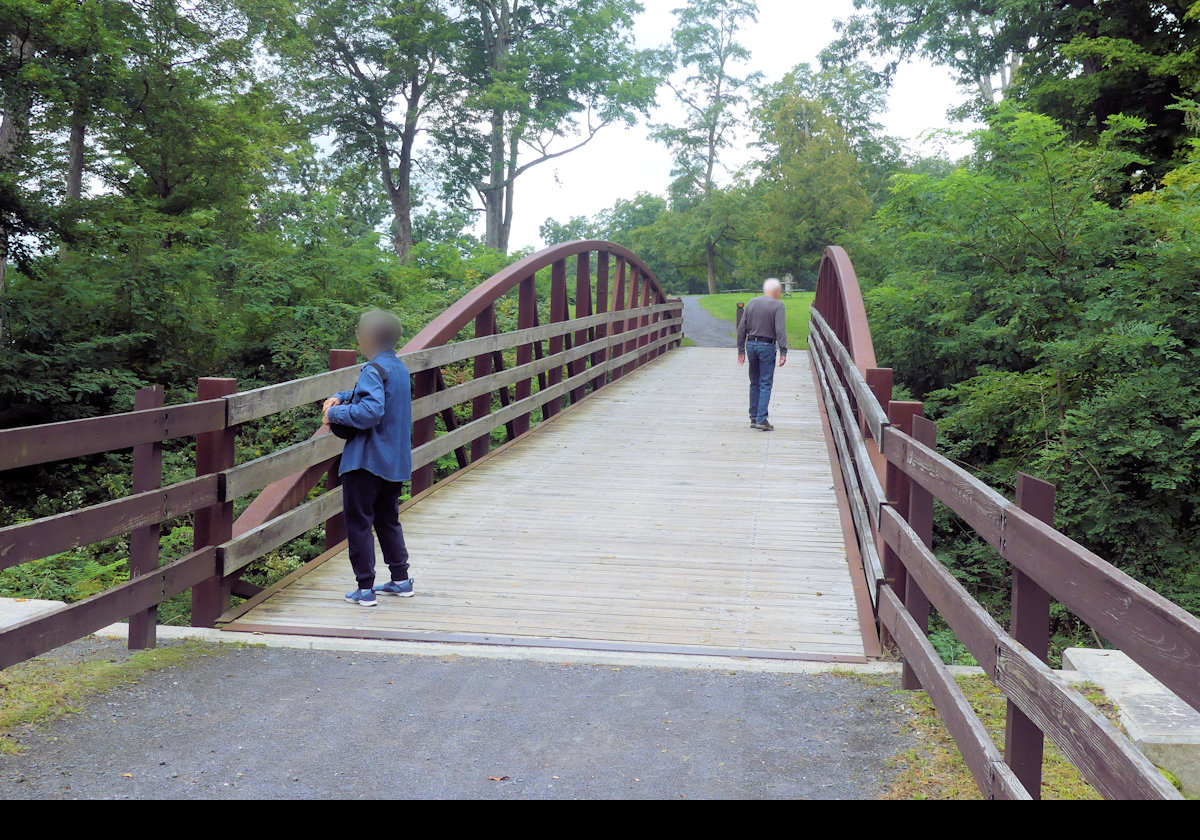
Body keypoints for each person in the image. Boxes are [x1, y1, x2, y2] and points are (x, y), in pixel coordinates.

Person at [322, 310, 414, 607]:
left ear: (368, 338)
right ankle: (400, 579)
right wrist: (343, 395)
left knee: (359, 523)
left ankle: (365, 588)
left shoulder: (373, 369)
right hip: (393, 462)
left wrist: (332, 413)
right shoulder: (397, 367)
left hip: (366, 463)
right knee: (388, 519)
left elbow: (371, 411)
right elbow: (376, 394)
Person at [736, 278, 788, 431]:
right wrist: (783, 350)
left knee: (755, 382)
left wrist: (741, 349)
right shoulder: (778, 305)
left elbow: (741, 328)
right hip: (767, 345)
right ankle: (761, 418)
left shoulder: (752, 302)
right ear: (777, 291)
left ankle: (753, 417)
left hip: (751, 345)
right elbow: (780, 329)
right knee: (765, 382)